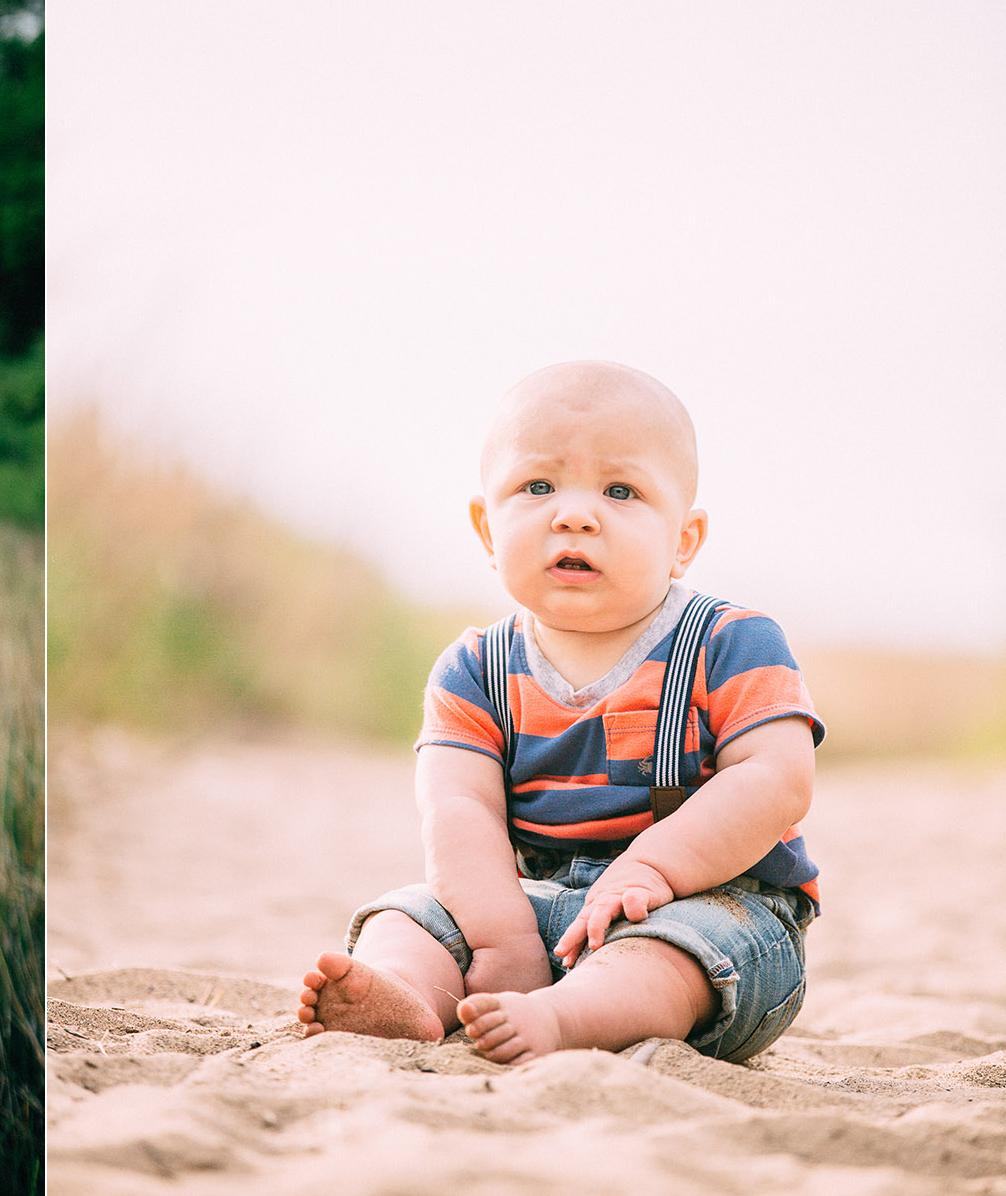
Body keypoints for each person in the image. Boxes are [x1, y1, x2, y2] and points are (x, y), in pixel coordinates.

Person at [298, 361, 821, 1064]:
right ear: (487, 527)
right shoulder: (475, 669)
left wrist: (654, 869)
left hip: (706, 905)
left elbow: (776, 779)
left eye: (621, 489)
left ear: (683, 541)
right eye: (538, 485)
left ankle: (568, 1014)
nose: (574, 513)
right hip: (532, 907)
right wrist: (503, 938)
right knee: (408, 913)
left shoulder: (731, 642)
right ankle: (408, 993)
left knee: (677, 956)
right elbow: (460, 812)